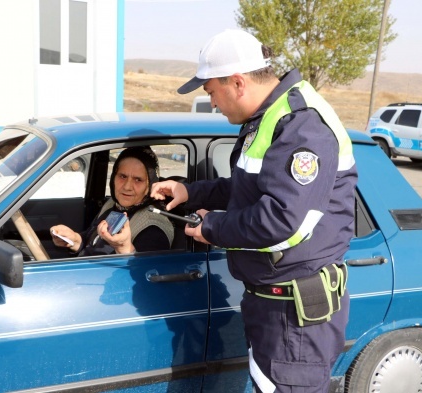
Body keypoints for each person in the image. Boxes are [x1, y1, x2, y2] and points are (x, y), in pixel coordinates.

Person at [151, 29, 358, 393]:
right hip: (273, 306)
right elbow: (248, 190)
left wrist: (212, 227)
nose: (212, 103)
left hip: (295, 317)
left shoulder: (301, 125)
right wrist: (190, 190)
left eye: (211, 92)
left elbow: (282, 220)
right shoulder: (267, 118)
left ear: (237, 82)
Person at [51, 146, 174, 256]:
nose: (127, 186)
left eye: (138, 180)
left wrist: (124, 249)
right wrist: (75, 240)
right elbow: (93, 242)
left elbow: (146, 275)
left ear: (150, 185)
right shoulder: (113, 205)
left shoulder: (153, 227)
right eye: (122, 176)